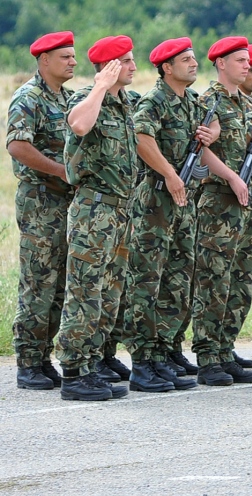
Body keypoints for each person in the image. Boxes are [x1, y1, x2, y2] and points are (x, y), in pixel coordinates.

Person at [122, 37, 221, 392]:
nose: (194, 64)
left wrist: (212, 134)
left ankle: (164, 349)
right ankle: (142, 360)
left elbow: (208, 134)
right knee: (147, 280)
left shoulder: (192, 101)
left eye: (195, 59)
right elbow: (141, 138)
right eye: (186, 60)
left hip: (183, 201)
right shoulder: (155, 100)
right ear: (167, 68)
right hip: (155, 200)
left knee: (179, 277)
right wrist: (169, 172)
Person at [55, 35, 138, 401]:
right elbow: (79, 126)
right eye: (127, 61)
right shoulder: (87, 98)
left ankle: (94, 360)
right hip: (94, 210)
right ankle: (73, 371)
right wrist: (100, 87)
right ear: (111, 66)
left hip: (120, 210)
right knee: (85, 290)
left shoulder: (126, 104)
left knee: (110, 291)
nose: (134, 67)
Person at [7, 31, 77, 390]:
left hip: (69, 203)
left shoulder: (69, 99)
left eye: (73, 56)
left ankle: (45, 357)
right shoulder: (28, 98)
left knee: (62, 284)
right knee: (39, 284)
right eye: (65, 56)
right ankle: (29, 362)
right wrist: (60, 170)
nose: (72, 62)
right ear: (44, 60)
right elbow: (18, 146)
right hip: (41, 202)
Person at [191, 36, 252, 386]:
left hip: (249, 201)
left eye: (248, 60)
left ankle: (225, 346)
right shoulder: (208, 101)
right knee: (214, 278)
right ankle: (207, 355)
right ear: (221, 64)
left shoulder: (248, 103)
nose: (247, 65)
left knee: (242, 278)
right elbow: (200, 149)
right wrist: (232, 177)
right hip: (220, 200)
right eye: (239, 60)